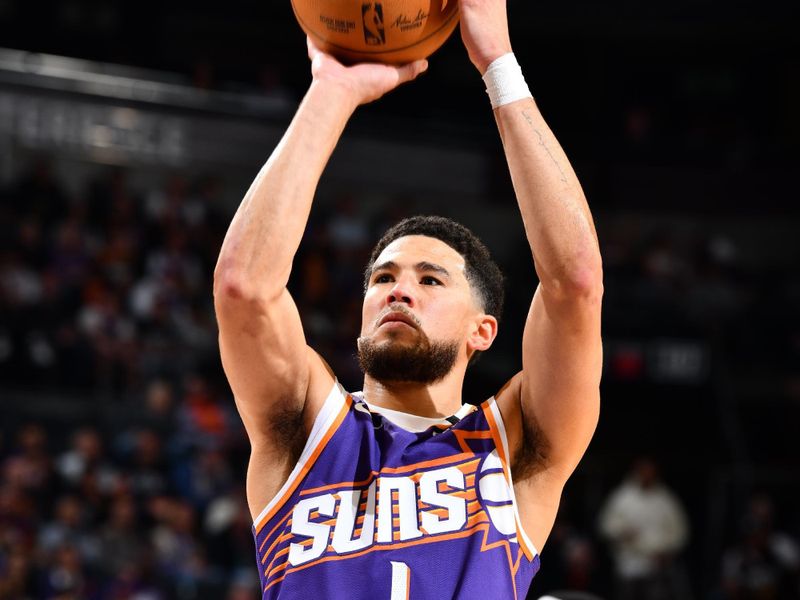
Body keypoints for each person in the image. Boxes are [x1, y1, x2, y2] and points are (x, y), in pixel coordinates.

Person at [213, 0, 603, 597]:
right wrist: (332, 92)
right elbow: (243, 288)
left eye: (430, 280)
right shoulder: (305, 427)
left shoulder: (516, 448)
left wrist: (499, 64)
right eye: (382, 278)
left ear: (483, 331)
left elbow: (575, 284)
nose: (399, 289)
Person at [597, 457, 690, 600]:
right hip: (629, 565)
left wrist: (668, 551)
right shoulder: (623, 497)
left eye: (651, 472)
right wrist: (622, 533)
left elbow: (680, 531)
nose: (647, 475)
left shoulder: (665, 499)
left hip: (657, 566)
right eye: (644, 471)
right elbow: (606, 526)